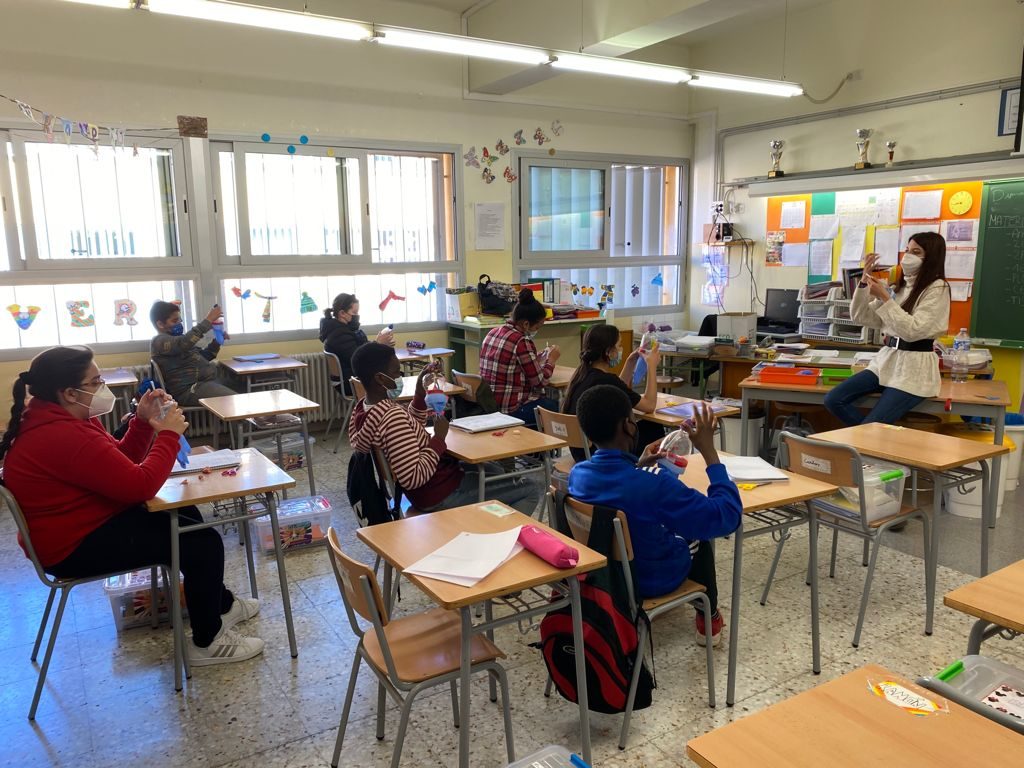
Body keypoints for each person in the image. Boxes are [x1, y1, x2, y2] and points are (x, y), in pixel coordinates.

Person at [0, 346, 263, 665]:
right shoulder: (61, 434)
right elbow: (140, 486)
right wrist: (167, 436)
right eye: (95, 382)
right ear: (69, 393)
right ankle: (207, 643)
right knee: (202, 543)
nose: (102, 387)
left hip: (82, 525)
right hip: (71, 549)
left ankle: (221, 606)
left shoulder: (65, 417)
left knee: (186, 516)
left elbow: (121, 462)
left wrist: (141, 422)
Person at [568, 385, 741, 645]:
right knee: (698, 537)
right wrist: (709, 452)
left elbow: (619, 487)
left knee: (658, 522)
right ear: (628, 426)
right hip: (649, 581)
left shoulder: (578, 474)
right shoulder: (655, 484)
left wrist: (636, 465)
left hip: (603, 577)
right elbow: (727, 517)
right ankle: (709, 618)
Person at [349, 342, 539, 514]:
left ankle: (485, 522)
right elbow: (413, 478)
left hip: (433, 486)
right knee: (531, 489)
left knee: (494, 471)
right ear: (380, 379)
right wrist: (439, 439)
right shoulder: (391, 417)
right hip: (437, 493)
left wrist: (419, 393)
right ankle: (495, 534)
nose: (400, 377)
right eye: (396, 372)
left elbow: (408, 431)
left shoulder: (366, 410)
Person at [825, 233, 951, 425]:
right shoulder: (900, 287)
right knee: (833, 400)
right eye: (907, 250)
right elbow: (861, 316)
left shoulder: (937, 288)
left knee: (871, 427)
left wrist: (885, 298)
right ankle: (869, 437)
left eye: (916, 252)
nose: (907, 256)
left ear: (931, 257)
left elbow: (913, 331)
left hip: (914, 370)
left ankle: (869, 437)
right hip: (886, 361)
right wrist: (864, 282)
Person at [562, 325, 664, 461]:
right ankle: (637, 471)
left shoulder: (582, 374)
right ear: (609, 352)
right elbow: (649, 405)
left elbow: (617, 391)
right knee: (654, 428)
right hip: (600, 452)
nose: (621, 349)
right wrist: (651, 366)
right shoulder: (605, 379)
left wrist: (630, 361)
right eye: (619, 346)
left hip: (582, 451)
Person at [478, 288, 560, 425]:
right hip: (511, 410)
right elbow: (540, 381)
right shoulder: (521, 342)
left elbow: (512, 362)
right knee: (557, 407)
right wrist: (551, 360)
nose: (536, 331)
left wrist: (537, 357)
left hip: (489, 405)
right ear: (526, 324)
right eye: (537, 327)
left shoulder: (492, 333)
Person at [150, 301, 236, 406]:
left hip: (207, 382)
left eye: (179, 320)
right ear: (160, 324)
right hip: (189, 390)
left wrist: (217, 342)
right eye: (174, 320)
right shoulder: (159, 342)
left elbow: (205, 356)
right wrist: (208, 320)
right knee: (235, 400)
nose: (179, 323)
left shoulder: (178, 340)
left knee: (244, 388)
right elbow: (184, 343)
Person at [319, 293, 394, 396]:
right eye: (354, 312)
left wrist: (380, 345)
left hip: (353, 377)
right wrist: (377, 344)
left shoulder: (344, 330)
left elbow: (360, 349)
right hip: (350, 381)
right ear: (342, 313)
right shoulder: (338, 335)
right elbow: (358, 359)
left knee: (394, 375)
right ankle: (390, 406)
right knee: (395, 379)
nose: (357, 316)